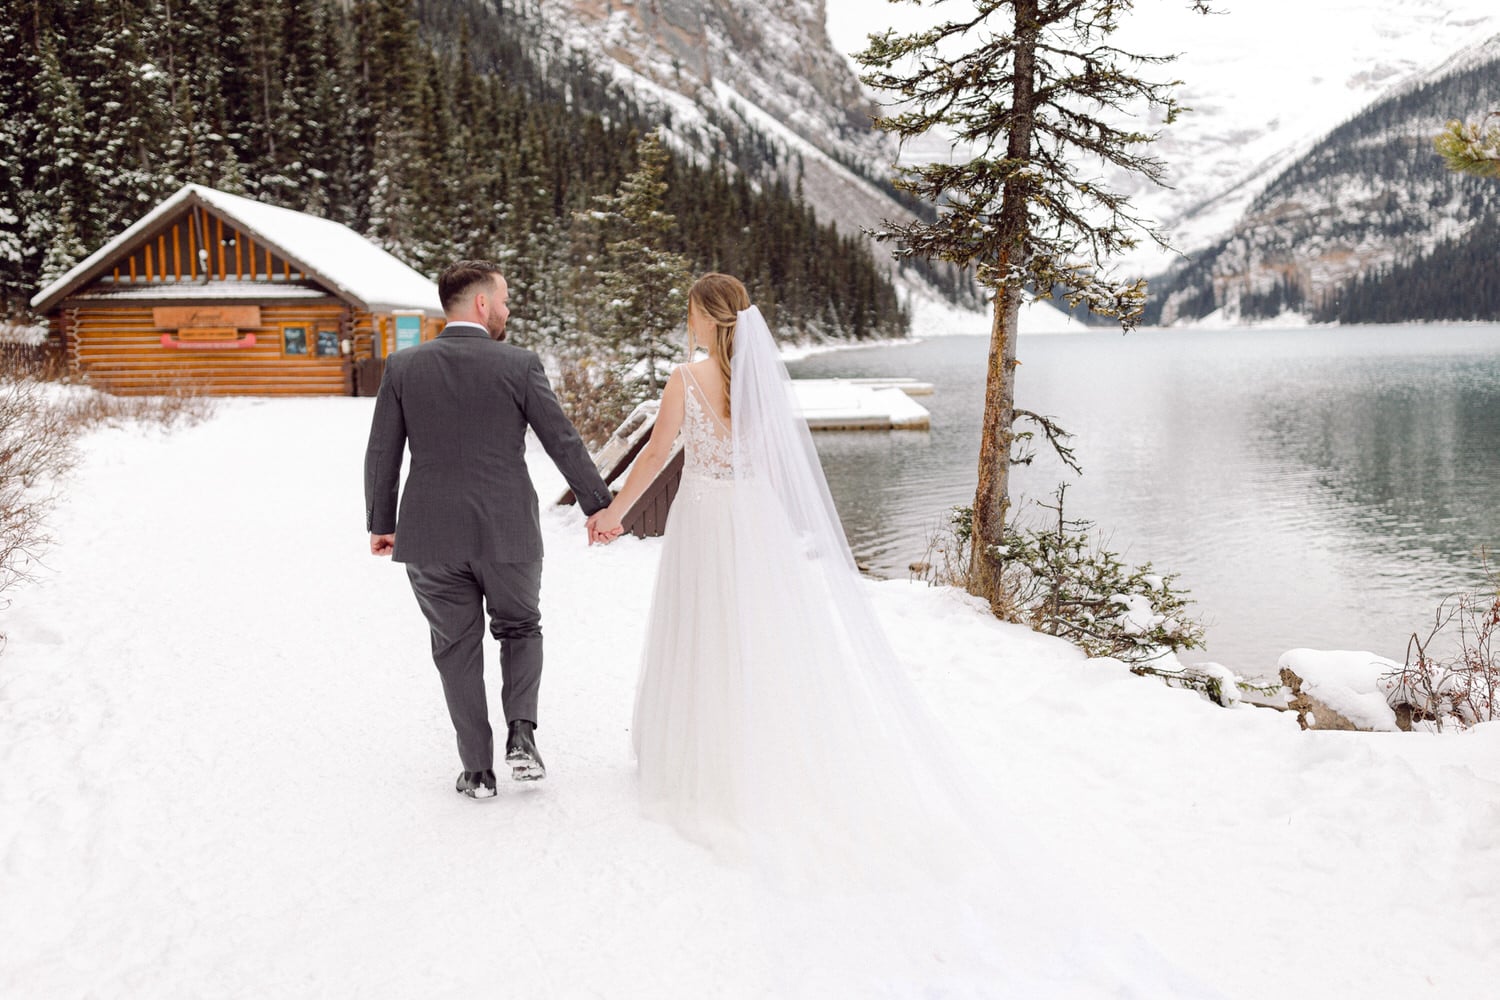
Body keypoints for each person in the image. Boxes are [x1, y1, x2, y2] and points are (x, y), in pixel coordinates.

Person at [365, 260, 616, 800]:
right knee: (520, 628)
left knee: (455, 647)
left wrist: (382, 524)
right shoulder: (519, 364)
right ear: (481, 303)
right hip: (508, 531)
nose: (506, 310)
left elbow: (383, 451)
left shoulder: (403, 366)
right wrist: (598, 504)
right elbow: (562, 441)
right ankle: (521, 735)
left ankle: (477, 771)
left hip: (429, 534)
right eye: (502, 300)